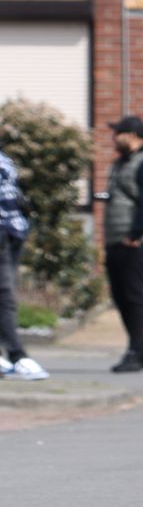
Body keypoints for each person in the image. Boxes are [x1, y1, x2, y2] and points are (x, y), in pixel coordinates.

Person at [102, 116, 143, 373]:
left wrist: (136, 234)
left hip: (136, 242)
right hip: (116, 240)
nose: (114, 138)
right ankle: (141, 350)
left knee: (134, 296)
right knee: (120, 296)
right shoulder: (120, 163)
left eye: (118, 133)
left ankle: (136, 351)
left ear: (133, 135)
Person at [0, 142, 48, 382]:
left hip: (12, 232)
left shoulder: (4, 158)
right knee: (5, 295)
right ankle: (18, 356)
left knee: (5, 295)